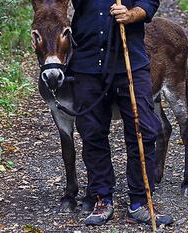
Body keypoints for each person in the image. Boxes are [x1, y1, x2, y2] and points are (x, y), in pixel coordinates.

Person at [68, 0, 174, 226]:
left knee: (144, 130)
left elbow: (150, 2)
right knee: (92, 132)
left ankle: (140, 202)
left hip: (130, 59)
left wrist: (131, 14)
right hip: (87, 61)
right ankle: (102, 198)